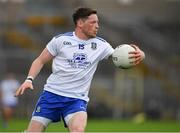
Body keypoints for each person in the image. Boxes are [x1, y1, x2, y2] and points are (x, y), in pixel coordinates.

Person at [15, 7, 145, 132]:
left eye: (98, 22)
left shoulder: (101, 45)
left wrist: (141, 55)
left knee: (78, 130)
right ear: (80, 23)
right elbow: (40, 60)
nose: (97, 26)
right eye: (93, 22)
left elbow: (119, 55)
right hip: (51, 95)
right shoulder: (61, 40)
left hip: (76, 100)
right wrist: (29, 79)